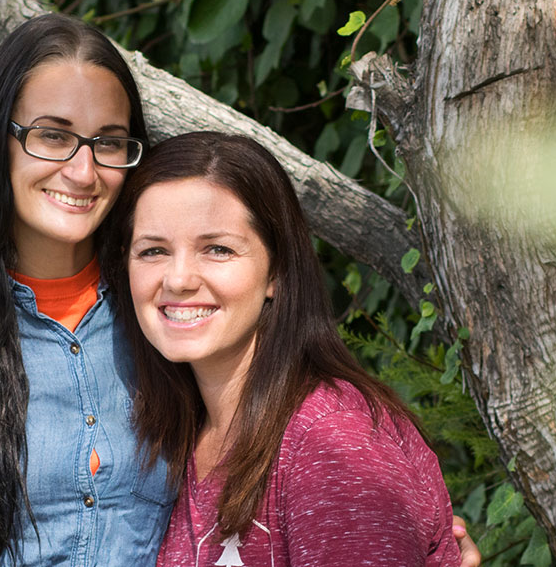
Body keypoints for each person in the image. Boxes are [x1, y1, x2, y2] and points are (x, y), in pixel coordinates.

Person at [0, 13, 481, 567]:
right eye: (52, 136)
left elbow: (311, 459)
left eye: (108, 142)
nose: (81, 169)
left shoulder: (159, 313)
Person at [110, 131, 462, 566]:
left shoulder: (333, 442)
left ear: (276, 271)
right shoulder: (177, 440)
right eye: (153, 251)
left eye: (217, 249)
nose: (179, 279)